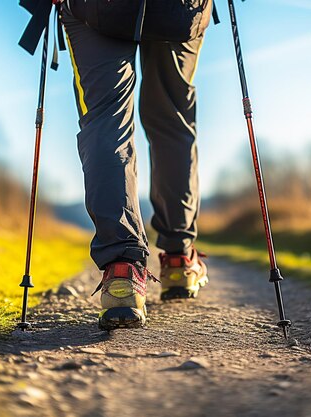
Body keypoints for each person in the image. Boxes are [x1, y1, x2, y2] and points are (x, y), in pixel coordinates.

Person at [60, 1, 210, 330]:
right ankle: (179, 260)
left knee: (104, 119)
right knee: (173, 121)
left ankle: (122, 273)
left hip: (95, 8)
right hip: (180, 10)